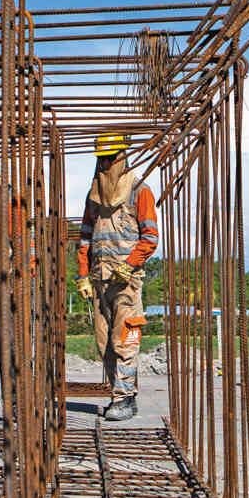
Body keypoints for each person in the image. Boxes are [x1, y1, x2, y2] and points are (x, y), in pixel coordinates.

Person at [76, 133, 159, 421]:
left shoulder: (139, 191)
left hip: (127, 283)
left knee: (126, 339)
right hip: (101, 282)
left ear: (121, 158)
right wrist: (83, 276)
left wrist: (131, 263)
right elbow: (85, 238)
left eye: (109, 159)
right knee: (104, 343)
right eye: (101, 159)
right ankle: (117, 393)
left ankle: (125, 398)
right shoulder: (94, 196)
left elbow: (150, 237)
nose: (104, 164)